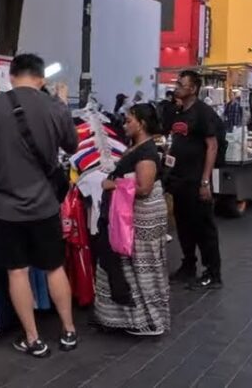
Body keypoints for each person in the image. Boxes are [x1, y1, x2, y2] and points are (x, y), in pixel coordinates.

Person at [0, 54, 80, 358]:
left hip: (4, 207)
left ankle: (33, 339)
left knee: (17, 272)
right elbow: (72, 146)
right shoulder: (54, 107)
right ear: (41, 78)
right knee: (53, 267)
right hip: (45, 205)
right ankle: (69, 330)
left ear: (10, 75)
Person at [93, 104, 170, 336]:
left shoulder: (146, 152)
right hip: (131, 215)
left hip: (142, 216)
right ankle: (132, 319)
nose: (124, 124)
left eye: (128, 121)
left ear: (142, 123)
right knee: (132, 266)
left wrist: (112, 184)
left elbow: (144, 188)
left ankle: (149, 321)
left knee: (141, 267)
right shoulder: (138, 147)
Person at [165, 70, 224, 290]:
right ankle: (188, 265)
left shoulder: (203, 112)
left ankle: (213, 273)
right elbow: (176, 139)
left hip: (197, 180)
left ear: (193, 89)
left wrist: (205, 182)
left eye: (181, 84)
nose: (177, 86)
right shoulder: (179, 112)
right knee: (183, 226)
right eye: (177, 82)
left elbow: (212, 146)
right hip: (179, 180)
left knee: (203, 228)